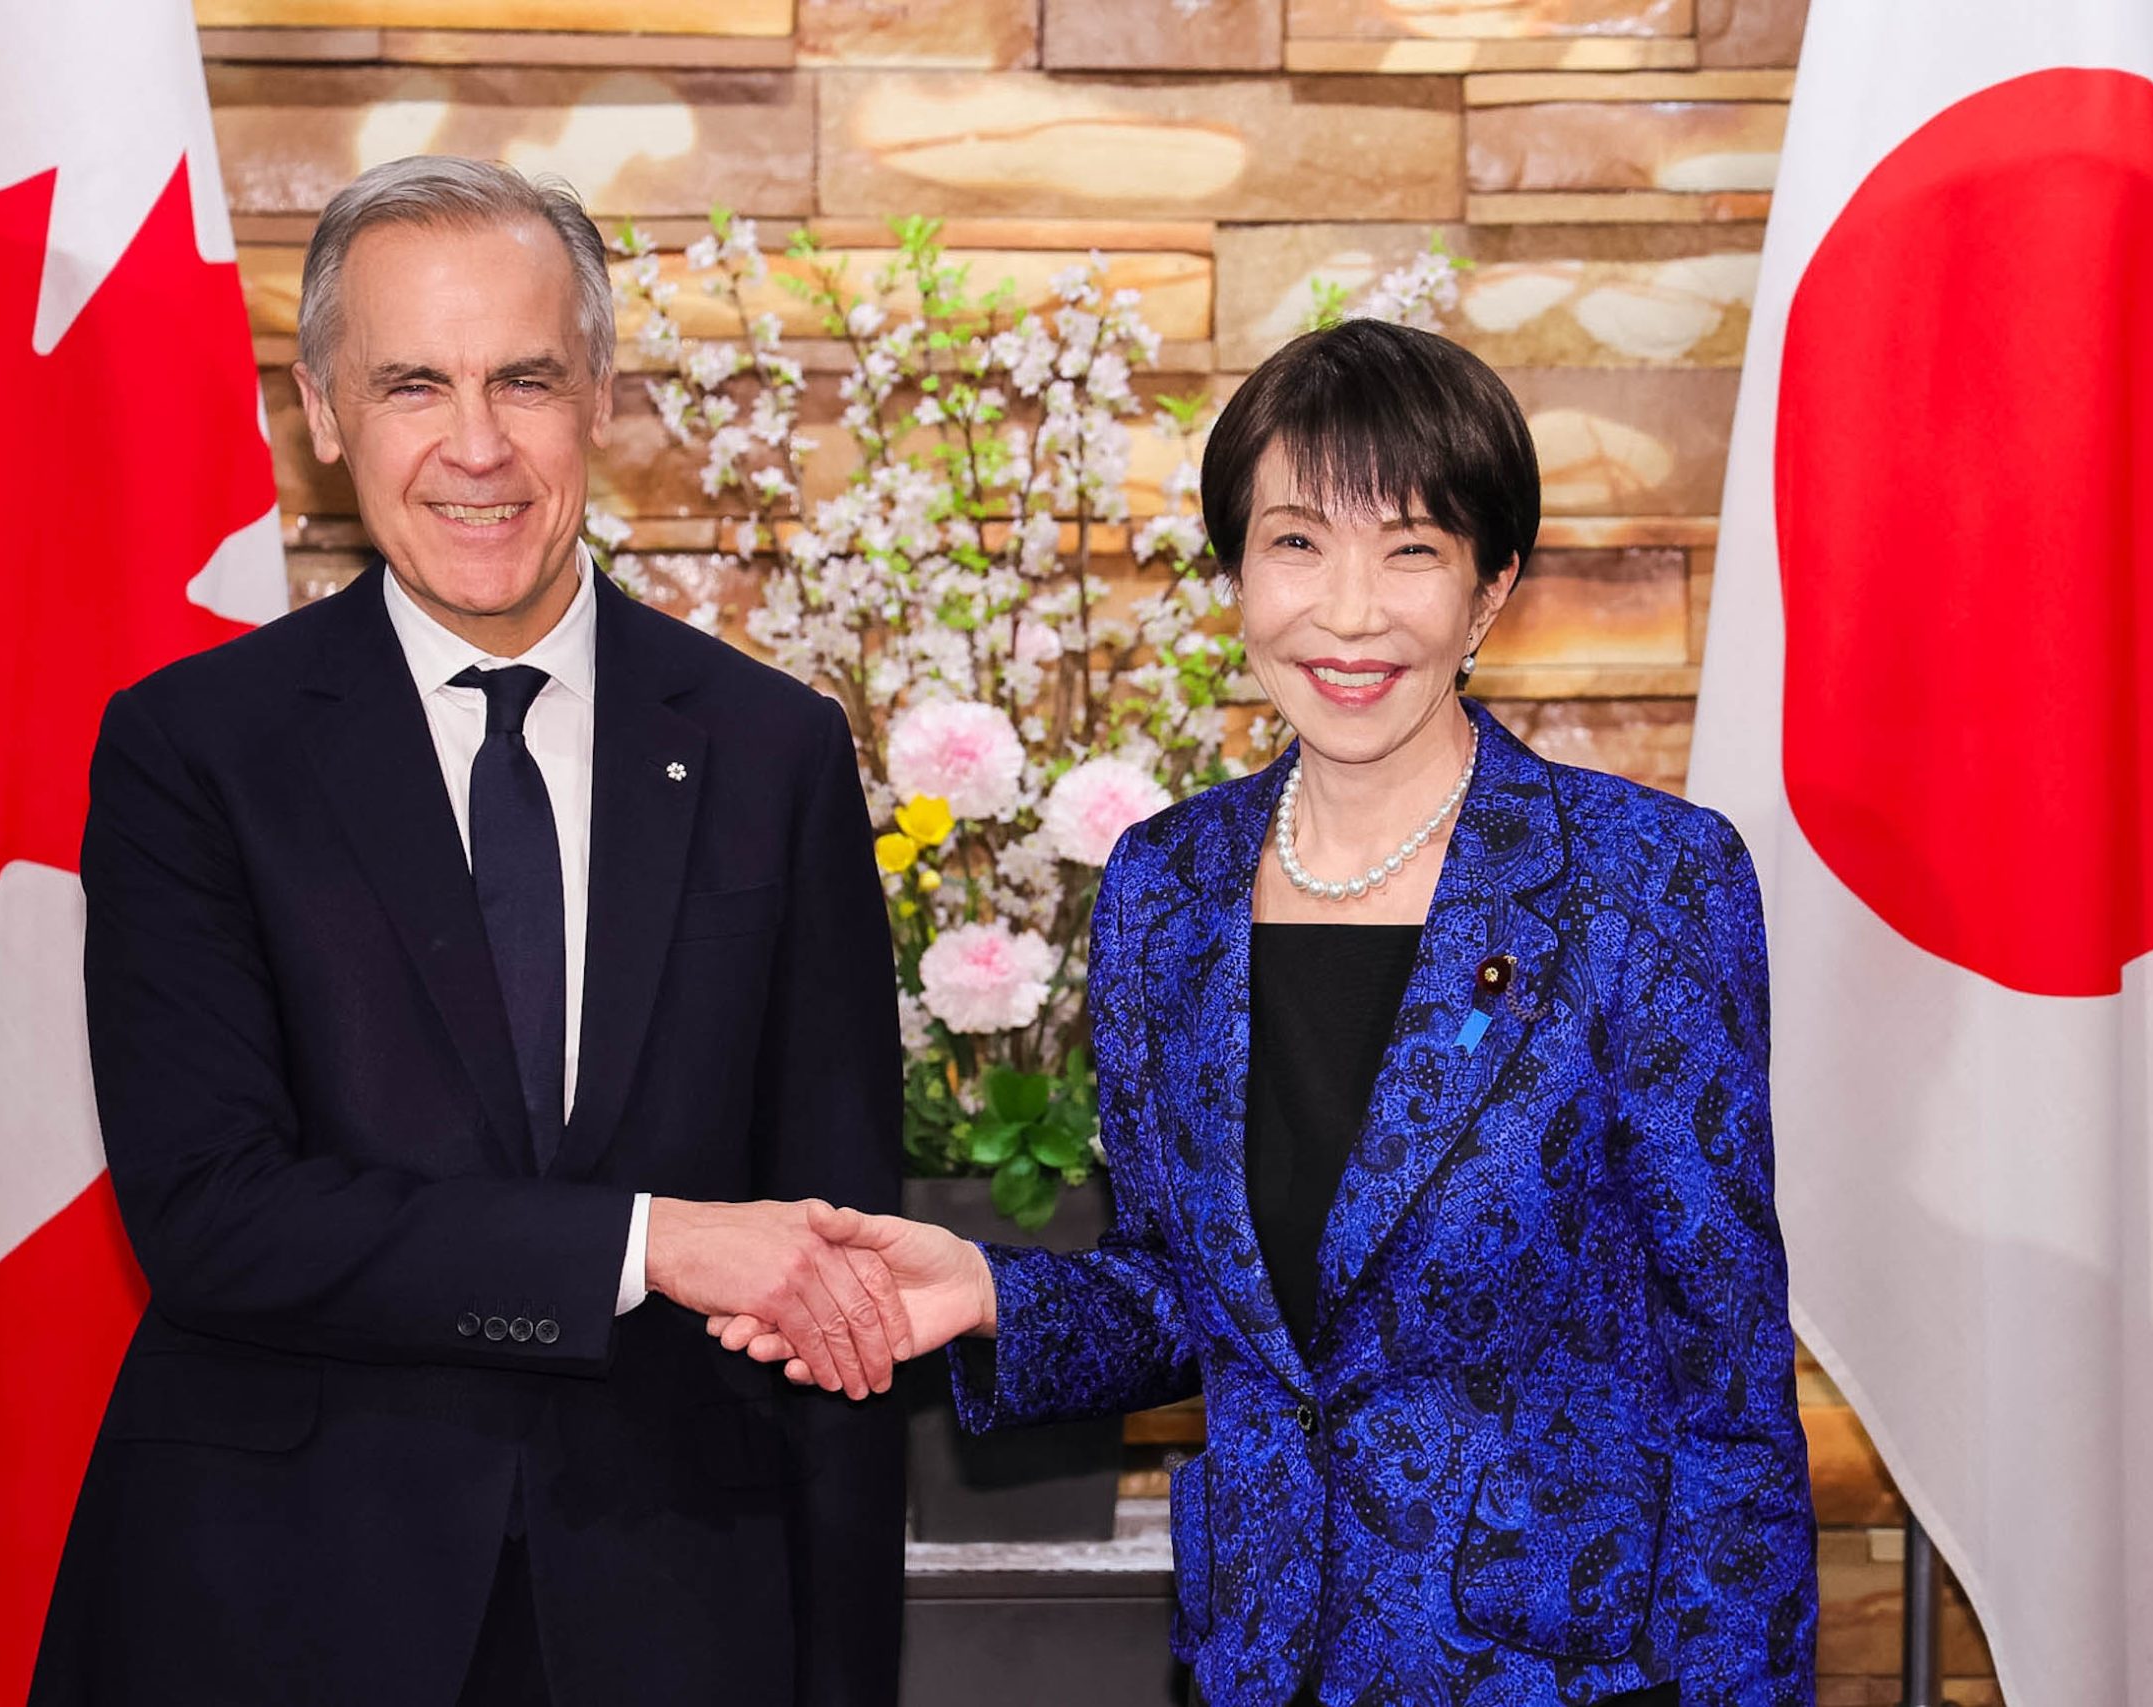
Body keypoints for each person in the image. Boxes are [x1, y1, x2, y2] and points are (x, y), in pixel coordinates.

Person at [721, 321, 1820, 1706]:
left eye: (1411, 550)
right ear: (1236, 573)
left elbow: (1727, 1372)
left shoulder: (1641, 881)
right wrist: (992, 1293)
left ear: (1490, 591)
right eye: (1298, 542)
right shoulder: (1165, 888)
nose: (1348, 614)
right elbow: (1187, 1295)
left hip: (1558, 1675)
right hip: (1264, 1658)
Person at [33, 158, 910, 1707]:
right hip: (282, 1613)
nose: (479, 445)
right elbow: (215, 1214)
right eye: (413, 385)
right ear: (322, 413)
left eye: (525, 379)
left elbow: (840, 1276)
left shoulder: (774, 752)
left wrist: (845, 1673)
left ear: (602, 397)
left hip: (678, 1612)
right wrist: (650, 1242)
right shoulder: (194, 752)